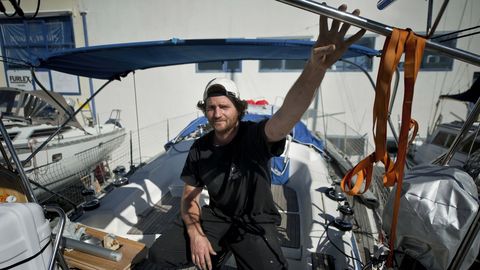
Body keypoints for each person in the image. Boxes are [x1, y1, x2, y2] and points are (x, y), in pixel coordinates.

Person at [147, 4, 365, 270]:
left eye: (224, 107)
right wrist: (196, 235)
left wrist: (315, 68)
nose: (217, 113)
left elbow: (288, 114)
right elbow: (188, 199)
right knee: (158, 257)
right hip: (215, 217)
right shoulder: (199, 148)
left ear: (239, 110)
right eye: (211, 107)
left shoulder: (256, 136)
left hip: (255, 220)